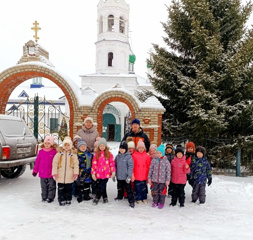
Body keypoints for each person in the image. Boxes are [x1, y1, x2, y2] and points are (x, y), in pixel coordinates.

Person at [52, 136, 79, 206]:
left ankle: (68, 199)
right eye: (65, 145)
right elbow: (54, 164)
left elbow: (76, 164)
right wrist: (54, 173)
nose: (66, 147)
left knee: (68, 188)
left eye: (68, 145)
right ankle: (61, 199)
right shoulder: (59, 154)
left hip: (69, 175)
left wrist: (76, 173)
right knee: (61, 188)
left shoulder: (73, 155)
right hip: (60, 175)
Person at [76, 117, 100, 195]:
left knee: (91, 171)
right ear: (84, 123)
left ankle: (91, 189)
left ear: (92, 123)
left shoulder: (96, 132)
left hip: (91, 154)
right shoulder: (80, 131)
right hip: (82, 153)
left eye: (90, 122)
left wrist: (95, 148)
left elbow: (98, 142)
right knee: (82, 171)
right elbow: (75, 141)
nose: (88, 124)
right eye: (87, 122)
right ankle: (80, 189)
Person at [32, 136, 58, 203]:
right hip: (42, 173)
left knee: (51, 186)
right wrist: (35, 171)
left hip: (51, 173)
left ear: (52, 144)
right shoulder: (41, 152)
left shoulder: (54, 152)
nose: (47, 145)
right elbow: (37, 162)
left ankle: (50, 197)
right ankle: (44, 197)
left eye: (48, 143)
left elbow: (57, 163)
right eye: (45, 143)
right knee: (43, 187)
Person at [91, 138, 115, 205]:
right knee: (100, 185)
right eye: (100, 146)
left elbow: (112, 163)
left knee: (103, 185)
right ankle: (104, 197)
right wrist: (93, 173)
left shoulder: (109, 154)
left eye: (103, 146)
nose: (102, 147)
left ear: (105, 146)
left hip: (106, 174)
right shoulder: (96, 154)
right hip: (98, 174)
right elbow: (94, 164)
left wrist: (113, 171)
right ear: (98, 147)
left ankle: (98, 197)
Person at [148, 145, 171, 209]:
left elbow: (168, 172)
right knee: (155, 192)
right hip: (155, 180)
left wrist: (167, 180)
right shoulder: (154, 160)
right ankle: (155, 202)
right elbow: (151, 169)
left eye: (160, 153)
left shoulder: (166, 162)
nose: (158, 154)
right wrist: (149, 178)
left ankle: (161, 203)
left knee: (162, 193)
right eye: (157, 153)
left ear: (163, 153)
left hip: (162, 181)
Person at [114, 141, 135, 208]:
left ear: (126, 149)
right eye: (120, 148)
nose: (121, 150)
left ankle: (131, 201)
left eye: (123, 149)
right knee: (119, 187)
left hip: (126, 177)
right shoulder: (117, 157)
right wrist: (114, 174)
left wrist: (129, 176)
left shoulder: (128, 157)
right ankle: (119, 196)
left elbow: (130, 166)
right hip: (119, 176)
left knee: (128, 189)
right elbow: (115, 165)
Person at [132, 139, 151, 203]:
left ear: (144, 148)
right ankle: (138, 198)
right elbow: (132, 166)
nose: (141, 149)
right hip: (136, 175)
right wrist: (132, 174)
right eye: (139, 148)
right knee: (137, 188)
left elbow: (149, 166)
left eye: (142, 148)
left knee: (144, 188)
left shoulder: (146, 156)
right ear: (137, 148)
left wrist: (148, 176)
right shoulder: (134, 155)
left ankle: (144, 198)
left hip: (144, 175)